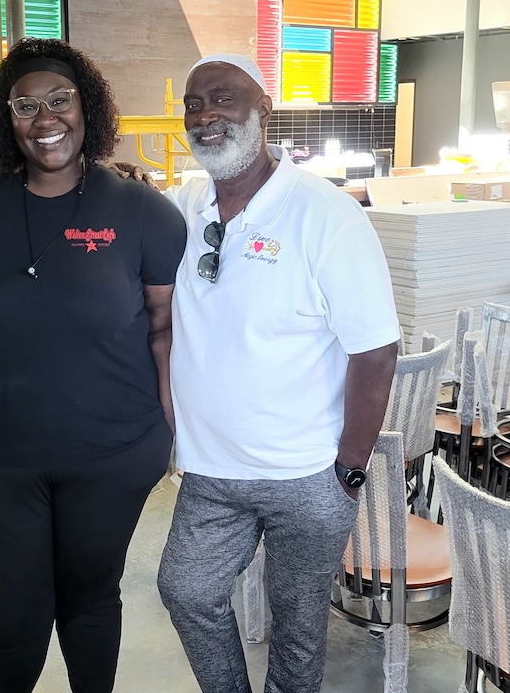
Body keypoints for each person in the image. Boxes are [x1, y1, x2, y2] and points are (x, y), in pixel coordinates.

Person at [0, 38, 187, 693]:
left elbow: (166, 326)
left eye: (60, 100)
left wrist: (167, 429)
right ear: (6, 118)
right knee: (15, 619)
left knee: (92, 601)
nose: (46, 119)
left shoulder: (141, 212)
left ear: (87, 107)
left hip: (113, 454)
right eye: (26, 105)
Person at [157, 54, 400, 693]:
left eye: (224, 99)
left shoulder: (324, 214)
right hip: (211, 473)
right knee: (186, 591)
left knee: (296, 638)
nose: (206, 115)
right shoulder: (184, 207)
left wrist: (347, 470)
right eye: (194, 103)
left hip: (306, 474)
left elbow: (375, 350)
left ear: (263, 110)